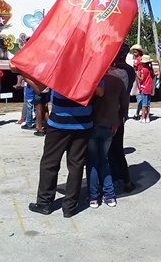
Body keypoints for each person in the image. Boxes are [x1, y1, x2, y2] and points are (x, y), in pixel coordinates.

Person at [27, 77, 104, 218]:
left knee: (49, 162)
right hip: (83, 121)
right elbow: (100, 92)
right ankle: (70, 207)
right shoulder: (93, 67)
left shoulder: (61, 64)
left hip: (59, 122)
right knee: (76, 164)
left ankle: (44, 203)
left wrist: (20, 72)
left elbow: (39, 88)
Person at [88, 72, 128, 208]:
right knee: (104, 160)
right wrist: (118, 121)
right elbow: (124, 105)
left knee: (93, 162)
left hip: (92, 124)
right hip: (110, 125)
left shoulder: (91, 79)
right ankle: (109, 195)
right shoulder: (117, 82)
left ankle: (94, 196)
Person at [108, 43, 136, 193]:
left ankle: (123, 179)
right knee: (115, 147)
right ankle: (120, 177)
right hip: (120, 113)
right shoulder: (129, 70)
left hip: (112, 113)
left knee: (114, 148)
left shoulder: (117, 71)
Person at [138, 54, 155, 123]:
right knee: (148, 103)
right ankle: (147, 117)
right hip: (149, 88)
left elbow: (142, 79)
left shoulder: (143, 69)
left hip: (144, 87)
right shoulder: (150, 69)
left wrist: (137, 75)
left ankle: (143, 118)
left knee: (144, 104)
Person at [130, 44, 144, 119]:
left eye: (135, 52)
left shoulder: (137, 60)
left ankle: (138, 112)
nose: (134, 54)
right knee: (140, 94)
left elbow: (134, 68)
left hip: (138, 76)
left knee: (138, 94)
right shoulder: (142, 58)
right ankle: (141, 110)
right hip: (141, 75)